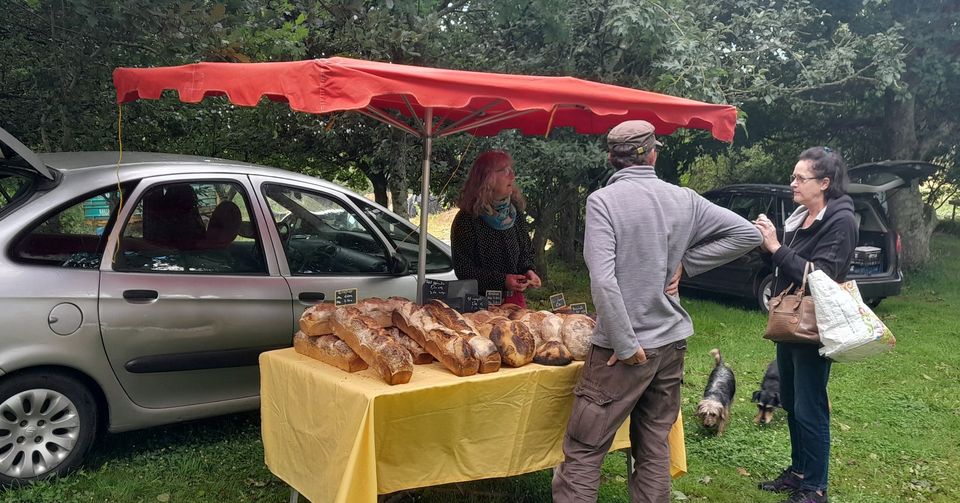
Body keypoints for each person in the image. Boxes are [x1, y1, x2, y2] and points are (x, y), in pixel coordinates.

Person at [552, 120, 762, 503]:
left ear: (612, 159)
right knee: (652, 449)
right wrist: (690, 262)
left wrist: (625, 342)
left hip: (622, 353)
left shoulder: (602, 201)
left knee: (583, 452)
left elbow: (603, 281)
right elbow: (748, 233)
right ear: (652, 154)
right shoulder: (683, 198)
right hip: (670, 345)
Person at [754, 146, 858, 503]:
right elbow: (786, 264)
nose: (793, 183)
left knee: (810, 405)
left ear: (824, 183)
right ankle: (798, 472)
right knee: (792, 401)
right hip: (789, 323)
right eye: (794, 176)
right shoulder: (803, 216)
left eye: (801, 178)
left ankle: (816, 486)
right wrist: (770, 242)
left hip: (814, 327)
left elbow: (821, 277)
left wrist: (776, 247)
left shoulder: (841, 220)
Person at [450, 150, 541, 307]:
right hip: (478, 306)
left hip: (514, 303)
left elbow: (526, 252)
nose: (512, 176)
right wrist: (502, 280)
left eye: (511, 170)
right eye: (504, 171)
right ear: (487, 178)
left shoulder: (515, 214)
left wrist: (528, 270)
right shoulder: (466, 219)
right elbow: (464, 270)